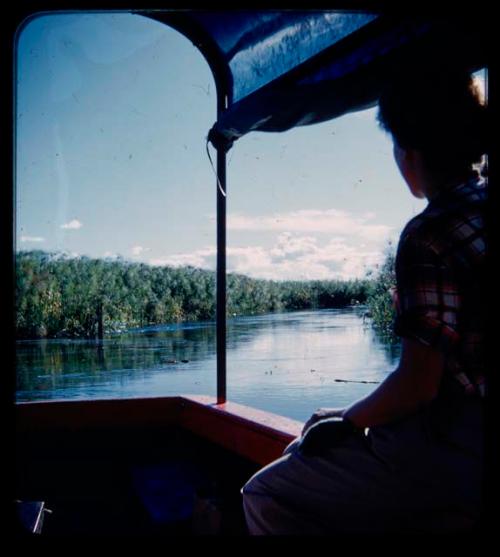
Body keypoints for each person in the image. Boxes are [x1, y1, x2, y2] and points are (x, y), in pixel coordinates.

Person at [240, 61, 488, 535]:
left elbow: (419, 385)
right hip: (462, 442)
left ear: (409, 153)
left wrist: (347, 421)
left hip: (461, 452)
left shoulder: (428, 234)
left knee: (265, 493)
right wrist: (347, 416)